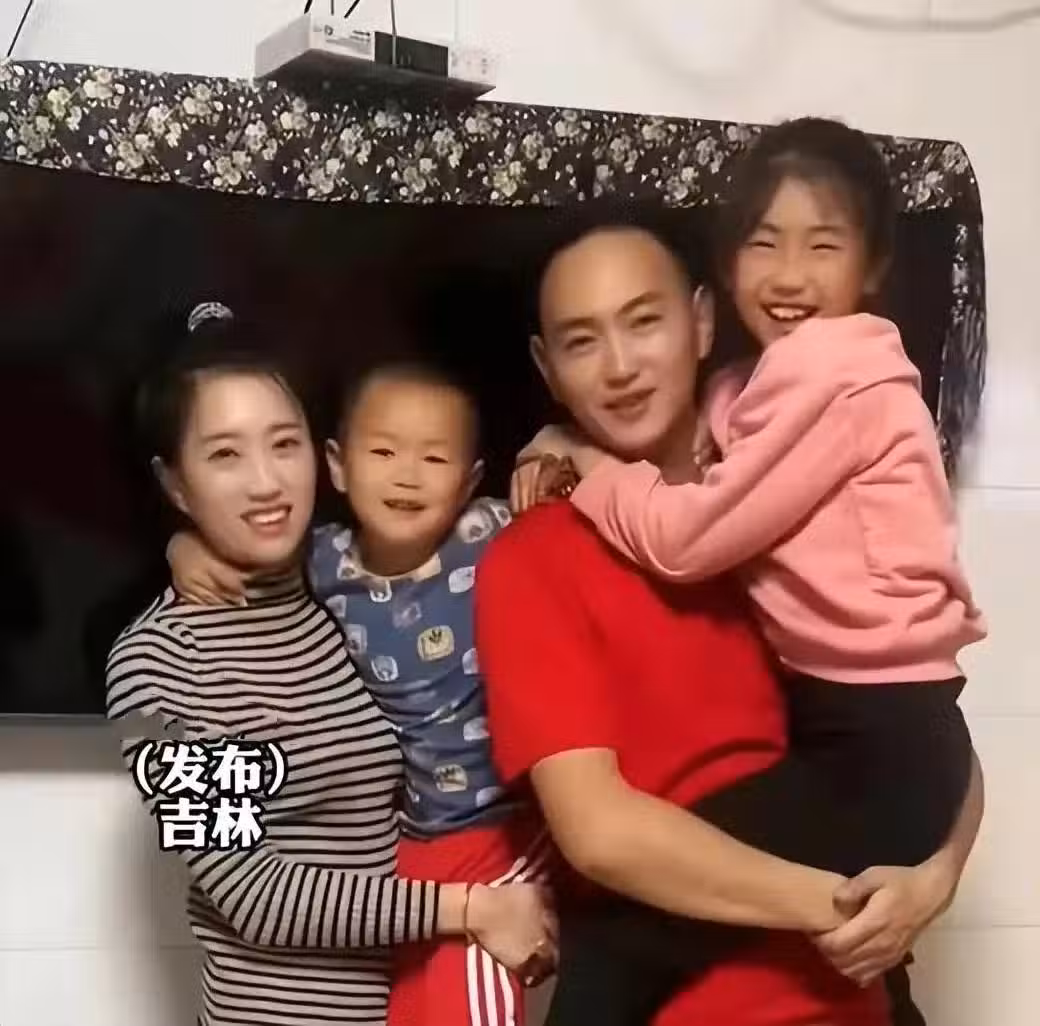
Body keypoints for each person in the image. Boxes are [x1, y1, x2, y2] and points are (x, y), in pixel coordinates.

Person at [514, 118, 986, 1024]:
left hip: (881, 753)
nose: (791, 274)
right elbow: (601, 837)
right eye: (764, 244)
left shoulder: (827, 382)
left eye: (824, 245)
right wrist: (858, 897)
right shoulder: (547, 551)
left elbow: (689, 536)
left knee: (615, 944)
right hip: (880, 759)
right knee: (615, 938)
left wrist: (936, 876)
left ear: (699, 318)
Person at [106, 305, 554, 1026]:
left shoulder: (343, 590)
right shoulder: (155, 664)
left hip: (400, 1004)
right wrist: (473, 908)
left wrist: (562, 443)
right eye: (224, 455)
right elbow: (251, 894)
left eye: (284, 444)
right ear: (175, 483)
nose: (266, 482)